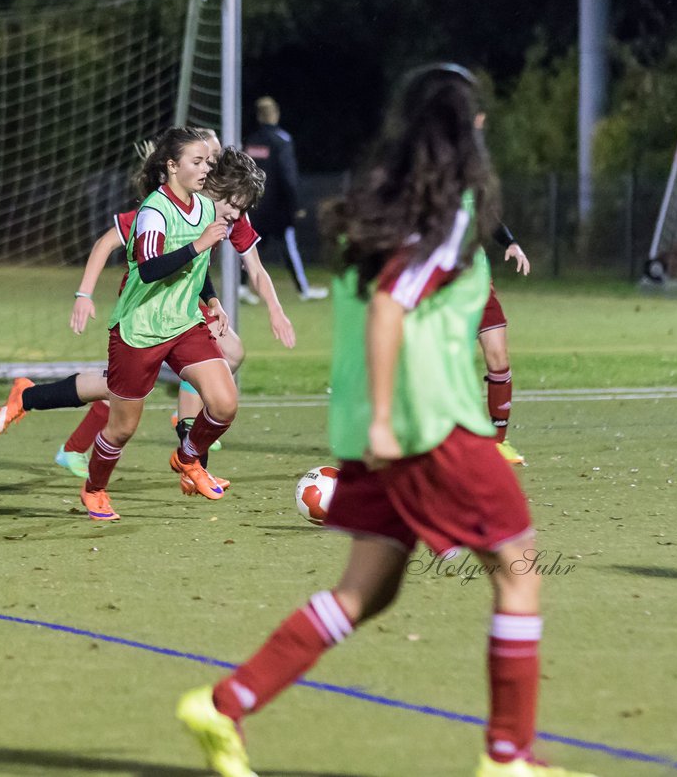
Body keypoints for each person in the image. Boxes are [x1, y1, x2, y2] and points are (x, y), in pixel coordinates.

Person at [175, 64, 595, 777]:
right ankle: (507, 759)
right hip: (430, 428)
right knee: (521, 571)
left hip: (385, 428)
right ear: (469, 130)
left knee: (365, 591)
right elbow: (391, 305)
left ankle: (224, 706)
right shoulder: (451, 209)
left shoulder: (388, 203)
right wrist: (384, 427)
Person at [0, 147, 296, 482]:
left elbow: (237, 268)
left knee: (228, 353)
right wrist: (84, 294)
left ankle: (188, 441)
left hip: (184, 306)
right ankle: (39, 405)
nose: (238, 216)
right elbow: (109, 244)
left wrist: (262, 308)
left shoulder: (227, 213)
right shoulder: (160, 208)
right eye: (200, 162)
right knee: (118, 389)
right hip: (145, 307)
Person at [240, 96, 328, 303]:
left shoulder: (251, 141)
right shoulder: (282, 140)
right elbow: (288, 176)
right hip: (277, 207)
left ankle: (240, 287)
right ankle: (303, 290)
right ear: (275, 114)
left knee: (249, 247)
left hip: (254, 205)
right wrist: (295, 205)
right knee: (288, 248)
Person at [481, 224, 530, 466]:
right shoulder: (426, 192)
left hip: (477, 287)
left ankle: (498, 443)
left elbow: (487, 216)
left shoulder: (469, 189)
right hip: (441, 288)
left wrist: (511, 242)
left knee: (499, 360)